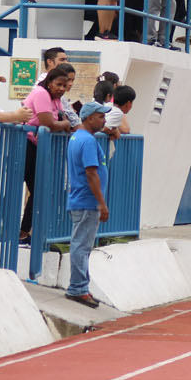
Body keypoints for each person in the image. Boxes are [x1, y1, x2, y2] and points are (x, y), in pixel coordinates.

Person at [19, 64, 77, 244]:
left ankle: (23, 232)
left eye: (64, 85)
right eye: (58, 84)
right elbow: (48, 123)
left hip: (37, 146)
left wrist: (62, 123)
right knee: (20, 188)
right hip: (24, 144)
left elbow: (60, 118)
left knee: (38, 190)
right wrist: (64, 125)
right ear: (49, 82)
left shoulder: (56, 99)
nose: (62, 89)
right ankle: (13, 231)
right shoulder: (41, 93)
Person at [64, 101, 111, 308]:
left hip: (80, 199)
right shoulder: (88, 141)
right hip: (87, 201)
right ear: (90, 117)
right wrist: (102, 203)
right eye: (101, 117)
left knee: (82, 244)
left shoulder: (77, 137)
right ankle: (78, 288)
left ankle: (81, 286)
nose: (104, 121)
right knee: (82, 245)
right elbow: (91, 173)